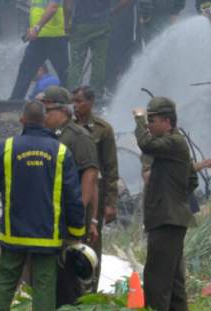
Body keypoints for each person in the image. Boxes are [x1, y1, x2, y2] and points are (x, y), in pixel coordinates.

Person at [0, 101, 86, 311]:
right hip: (47, 234)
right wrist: (76, 231)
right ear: (44, 121)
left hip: (13, 231)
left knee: (5, 283)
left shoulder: (7, 147)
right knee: (44, 286)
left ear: (22, 120)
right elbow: (73, 196)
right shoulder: (60, 152)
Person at [133, 97, 197, 311]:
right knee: (174, 282)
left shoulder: (174, 142)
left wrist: (139, 119)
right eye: (148, 120)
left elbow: (146, 143)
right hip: (171, 218)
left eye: (153, 120)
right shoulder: (173, 145)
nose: (149, 125)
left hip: (166, 220)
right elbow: (192, 180)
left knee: (156, 282)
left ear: (167, 121)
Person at [38, 86, 99, 306]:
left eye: (47, 110)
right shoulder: (52, 136)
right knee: (53, 275)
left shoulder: (78, 136)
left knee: (68, 276)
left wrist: (79, 209)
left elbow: (90, 174)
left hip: (68, 218)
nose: (43, 116)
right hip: (53, 215)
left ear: (61, 111)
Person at [64, 0, 133, 93]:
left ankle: (73, 96)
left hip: (80, 26)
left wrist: (67, 22)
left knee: (76, 63)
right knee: (99, 63)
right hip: (102, 26)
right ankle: (95, 97)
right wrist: (113, 12)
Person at [71, 86, 119, 284]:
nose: (75, 105)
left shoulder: (103, 129)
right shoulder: (67, 127)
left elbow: (110, 168)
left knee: (92, 242)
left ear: (90, 103)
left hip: (94, 196)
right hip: (71, 191)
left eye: (79, 101)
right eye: (73, 101)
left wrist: (110, 202)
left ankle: (91, 287)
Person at [9, 0, 69, 99]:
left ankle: (69, 101)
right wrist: (33, 29)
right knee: (25, 71)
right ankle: (14, 102)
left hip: (54, 38)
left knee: (65, 73)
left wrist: (36, 27)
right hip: (39, 38)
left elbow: (53, 7)